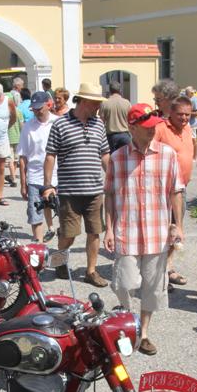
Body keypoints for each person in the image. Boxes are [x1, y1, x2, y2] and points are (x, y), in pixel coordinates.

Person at [104, 103, 185, 356]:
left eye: (154, 127)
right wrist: (108, 229)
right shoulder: (117, 159)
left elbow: (175, 192)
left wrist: (178, 226)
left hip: (156, 233)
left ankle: (144, 332)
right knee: (124, 283)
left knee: (152, 286)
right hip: (126, 232)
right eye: (146, 128)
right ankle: (128, 324)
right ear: (131, 127)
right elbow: (109, 195)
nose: (152, 132)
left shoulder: (167, 155)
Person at [43, 82, 112, 287]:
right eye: (95, 103)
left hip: (94, 190)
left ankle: (91, 271)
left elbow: (105, 154)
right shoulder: (60, 124)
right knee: (69, 235)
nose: (98, 106)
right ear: (82, 101)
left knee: (94, 231)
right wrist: (48, 185)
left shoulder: (98, 124)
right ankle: (58, 260)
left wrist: (114, 177)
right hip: (69, 192)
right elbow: (50, 156)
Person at [154, 95, 197, 290]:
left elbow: (191, 150)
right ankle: (158, 274)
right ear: (170, 112)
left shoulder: (188, 129)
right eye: (180, 114)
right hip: (162, 190)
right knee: (163, 232)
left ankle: (168, 267)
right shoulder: (161, 129)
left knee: (176, 232)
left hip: (181, 189)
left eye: (187, 115)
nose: (184, 118)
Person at [18, 91, 59, 243]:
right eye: (34, 109)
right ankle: (39, 247)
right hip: (35, 176)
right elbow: (23, 157)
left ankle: (60, 241)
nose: (36, 111)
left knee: (63, 213)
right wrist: (23, 183)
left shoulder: (58, 123)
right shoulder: (27, 127)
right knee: (35, 214)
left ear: (48, 105)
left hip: (57, 176)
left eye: (39, 108)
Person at [99, 80, 132, 152]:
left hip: (111, 137)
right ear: (120, 90)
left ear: (110, 90)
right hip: (125, 135)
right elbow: (131, 120)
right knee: (126, 160)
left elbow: (101, 121)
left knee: (112, 160)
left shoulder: (104, 103)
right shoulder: (127, 103)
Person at [6, 77, 25, 188]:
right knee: (16, 159)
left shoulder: (5, 112)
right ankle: (15, 175)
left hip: (8, 138)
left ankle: (13, 177)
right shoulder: (18, 112)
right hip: (18, 137)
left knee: (10, 159)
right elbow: (22, 125)